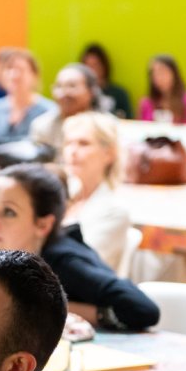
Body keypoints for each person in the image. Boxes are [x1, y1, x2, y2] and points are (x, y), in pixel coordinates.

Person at [0, 163, 158, 331]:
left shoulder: (66, 262)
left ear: (43, 225)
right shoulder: (7, 255)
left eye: (9, 212)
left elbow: (144, 309)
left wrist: (51, 309)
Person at [60, 112, 131, 270]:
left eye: (83, 143)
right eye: (68, 143)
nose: (72, 151)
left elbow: (78, 267)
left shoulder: (115, 211)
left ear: (109, 154)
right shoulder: (62, 196)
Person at [0, 48, 55, 166]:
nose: (14, 75)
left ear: (34, 76)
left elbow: (48, 154)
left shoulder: (48, 111)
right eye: (9, 69)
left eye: (21, 70)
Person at [30, 64, 102, 161]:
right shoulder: (42, 126)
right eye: (59, 86)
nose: (64, 92)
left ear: (91, 92)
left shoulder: (104, 128)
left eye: (72, 86)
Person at [138, 55, 186, 124]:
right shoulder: (147, 103)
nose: (158, 77)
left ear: (174, 73)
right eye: (153, 73)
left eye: (162, 71)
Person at [81, 43, 132, 119]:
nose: (91, 70)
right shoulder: (81, 94)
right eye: (88, 66)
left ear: (104, 66)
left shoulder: (119, 94)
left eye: (95, 65)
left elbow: (128, 119)